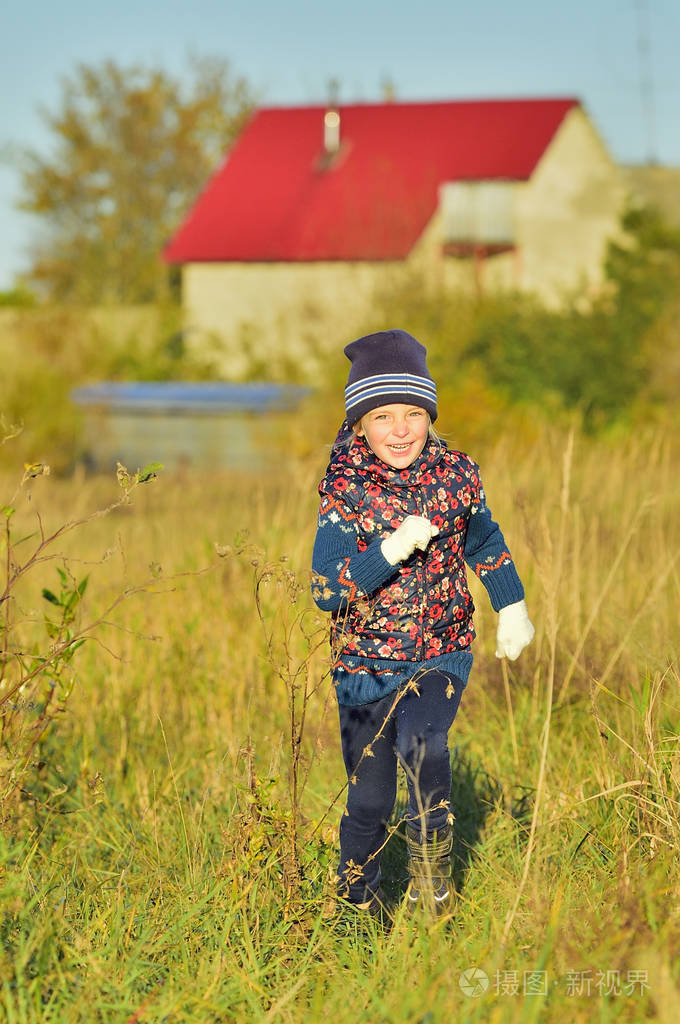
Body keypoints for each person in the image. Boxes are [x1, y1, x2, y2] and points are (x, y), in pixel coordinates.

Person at [311, 329, 534, 918]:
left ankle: (432, 881)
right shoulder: (344, 491)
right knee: (369, 800)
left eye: (413, 412)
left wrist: (510, 605)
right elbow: (325, 589)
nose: (401, 429)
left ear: (430, 415)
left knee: (423, 743)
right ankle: (357, 906)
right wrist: (386, 551)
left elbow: (485, 540)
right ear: (360, 423)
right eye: (383, 416)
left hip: (441, 649)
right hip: (361, 668)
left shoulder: (458, 475)